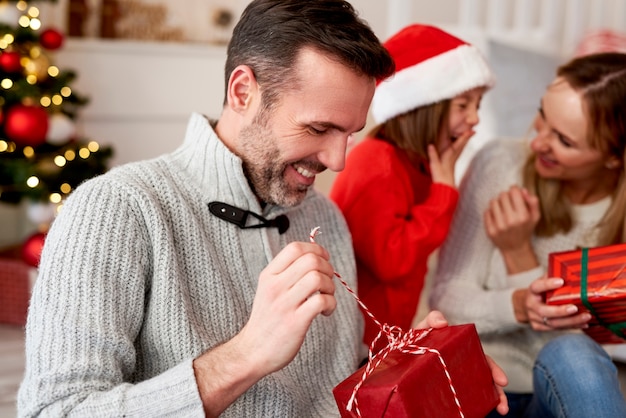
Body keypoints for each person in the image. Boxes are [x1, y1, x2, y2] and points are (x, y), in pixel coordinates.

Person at [17, 1, 508, 417]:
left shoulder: (325, 219)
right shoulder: (117, 209)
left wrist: (414, 366)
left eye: (350, 133)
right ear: (243, 91)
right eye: (318, 129)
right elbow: (56, 410)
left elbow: (336, 386)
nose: (338, 161)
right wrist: (248, 354)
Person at [429, 51, 626, 417]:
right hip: (480, 386)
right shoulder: (499, 164)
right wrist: (517, 304)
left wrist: (519, 255)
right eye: (542, 115)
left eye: (564, 141)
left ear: (614, 157)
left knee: (575, 354)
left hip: (564, 398)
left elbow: (589, 360)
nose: (537, 143)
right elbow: (446, 300)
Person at [330, 24, 495, 348]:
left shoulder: (417, 163)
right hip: (356, 339)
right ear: (423, 107)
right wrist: (444, 191)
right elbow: (393, 262)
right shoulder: (377, 164)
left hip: (386, 330)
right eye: (463, 105)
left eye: (477, 105)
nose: (475, 118)